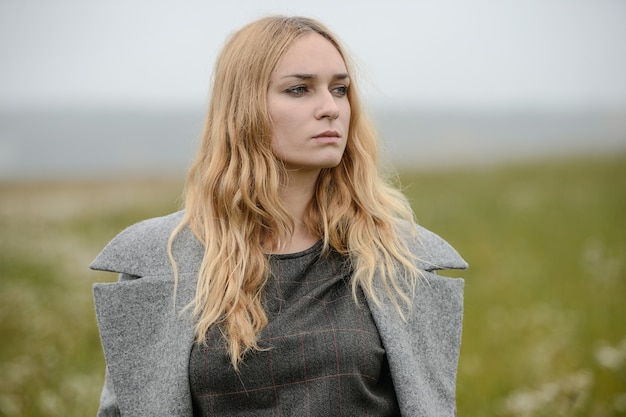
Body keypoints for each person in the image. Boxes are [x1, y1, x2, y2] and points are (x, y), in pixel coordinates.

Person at [90, 15, 467, 417]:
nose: (330, 109)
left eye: (340, 89)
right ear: (244, 107)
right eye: (299, 89)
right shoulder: (160, 260)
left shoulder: (401, 257)